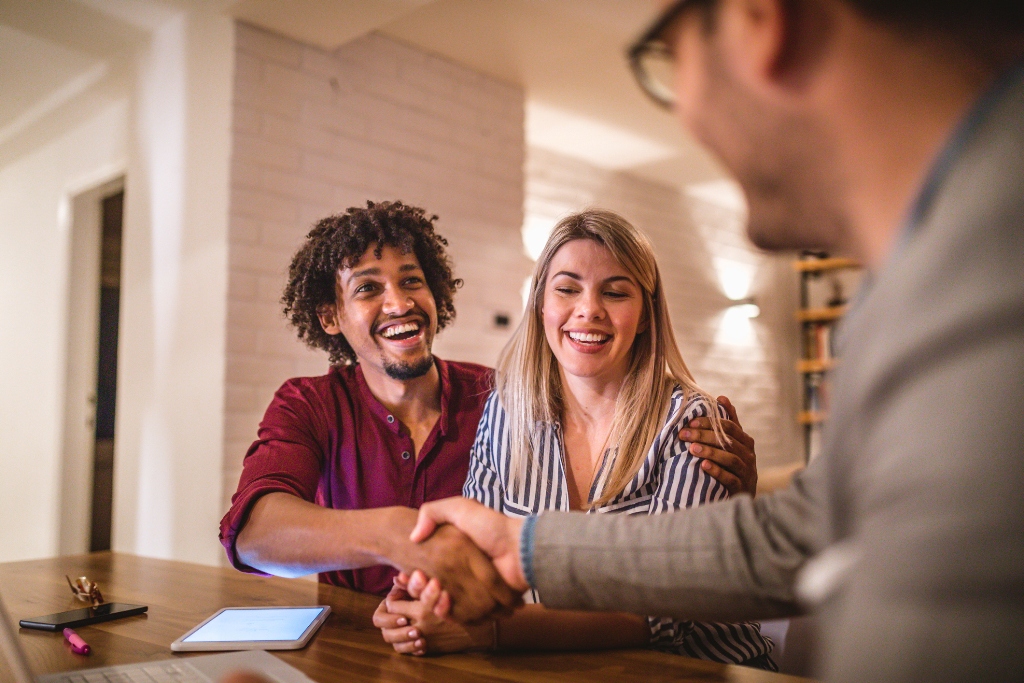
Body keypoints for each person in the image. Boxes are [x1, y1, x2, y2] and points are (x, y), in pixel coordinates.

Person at [405, 1, 1024, 681]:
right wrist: (524, 549)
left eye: (665, 64)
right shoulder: (906, 282)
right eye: (567, 287)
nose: (686, 117)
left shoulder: (986, 261)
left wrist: (496, 617)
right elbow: (801, 534)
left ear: (761, 21)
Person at [218, 200, 759, 622]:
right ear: (330, 317)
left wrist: (734, 494)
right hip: (374, 641)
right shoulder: (310, 404)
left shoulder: (498, 397)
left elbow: (681, 595)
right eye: (367, 289)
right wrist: (400, 538)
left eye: (412, 281)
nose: (399, 302)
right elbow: (253, 535)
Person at [374, 210, 776, 669]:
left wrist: (486, 631)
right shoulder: (506, 410)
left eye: (616, 292)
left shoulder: (689, 420)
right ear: (542, 303)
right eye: (567, 288)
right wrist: (427, 598)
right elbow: (477, 560)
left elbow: (666, 611)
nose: (589, 309)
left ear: (645, 315)